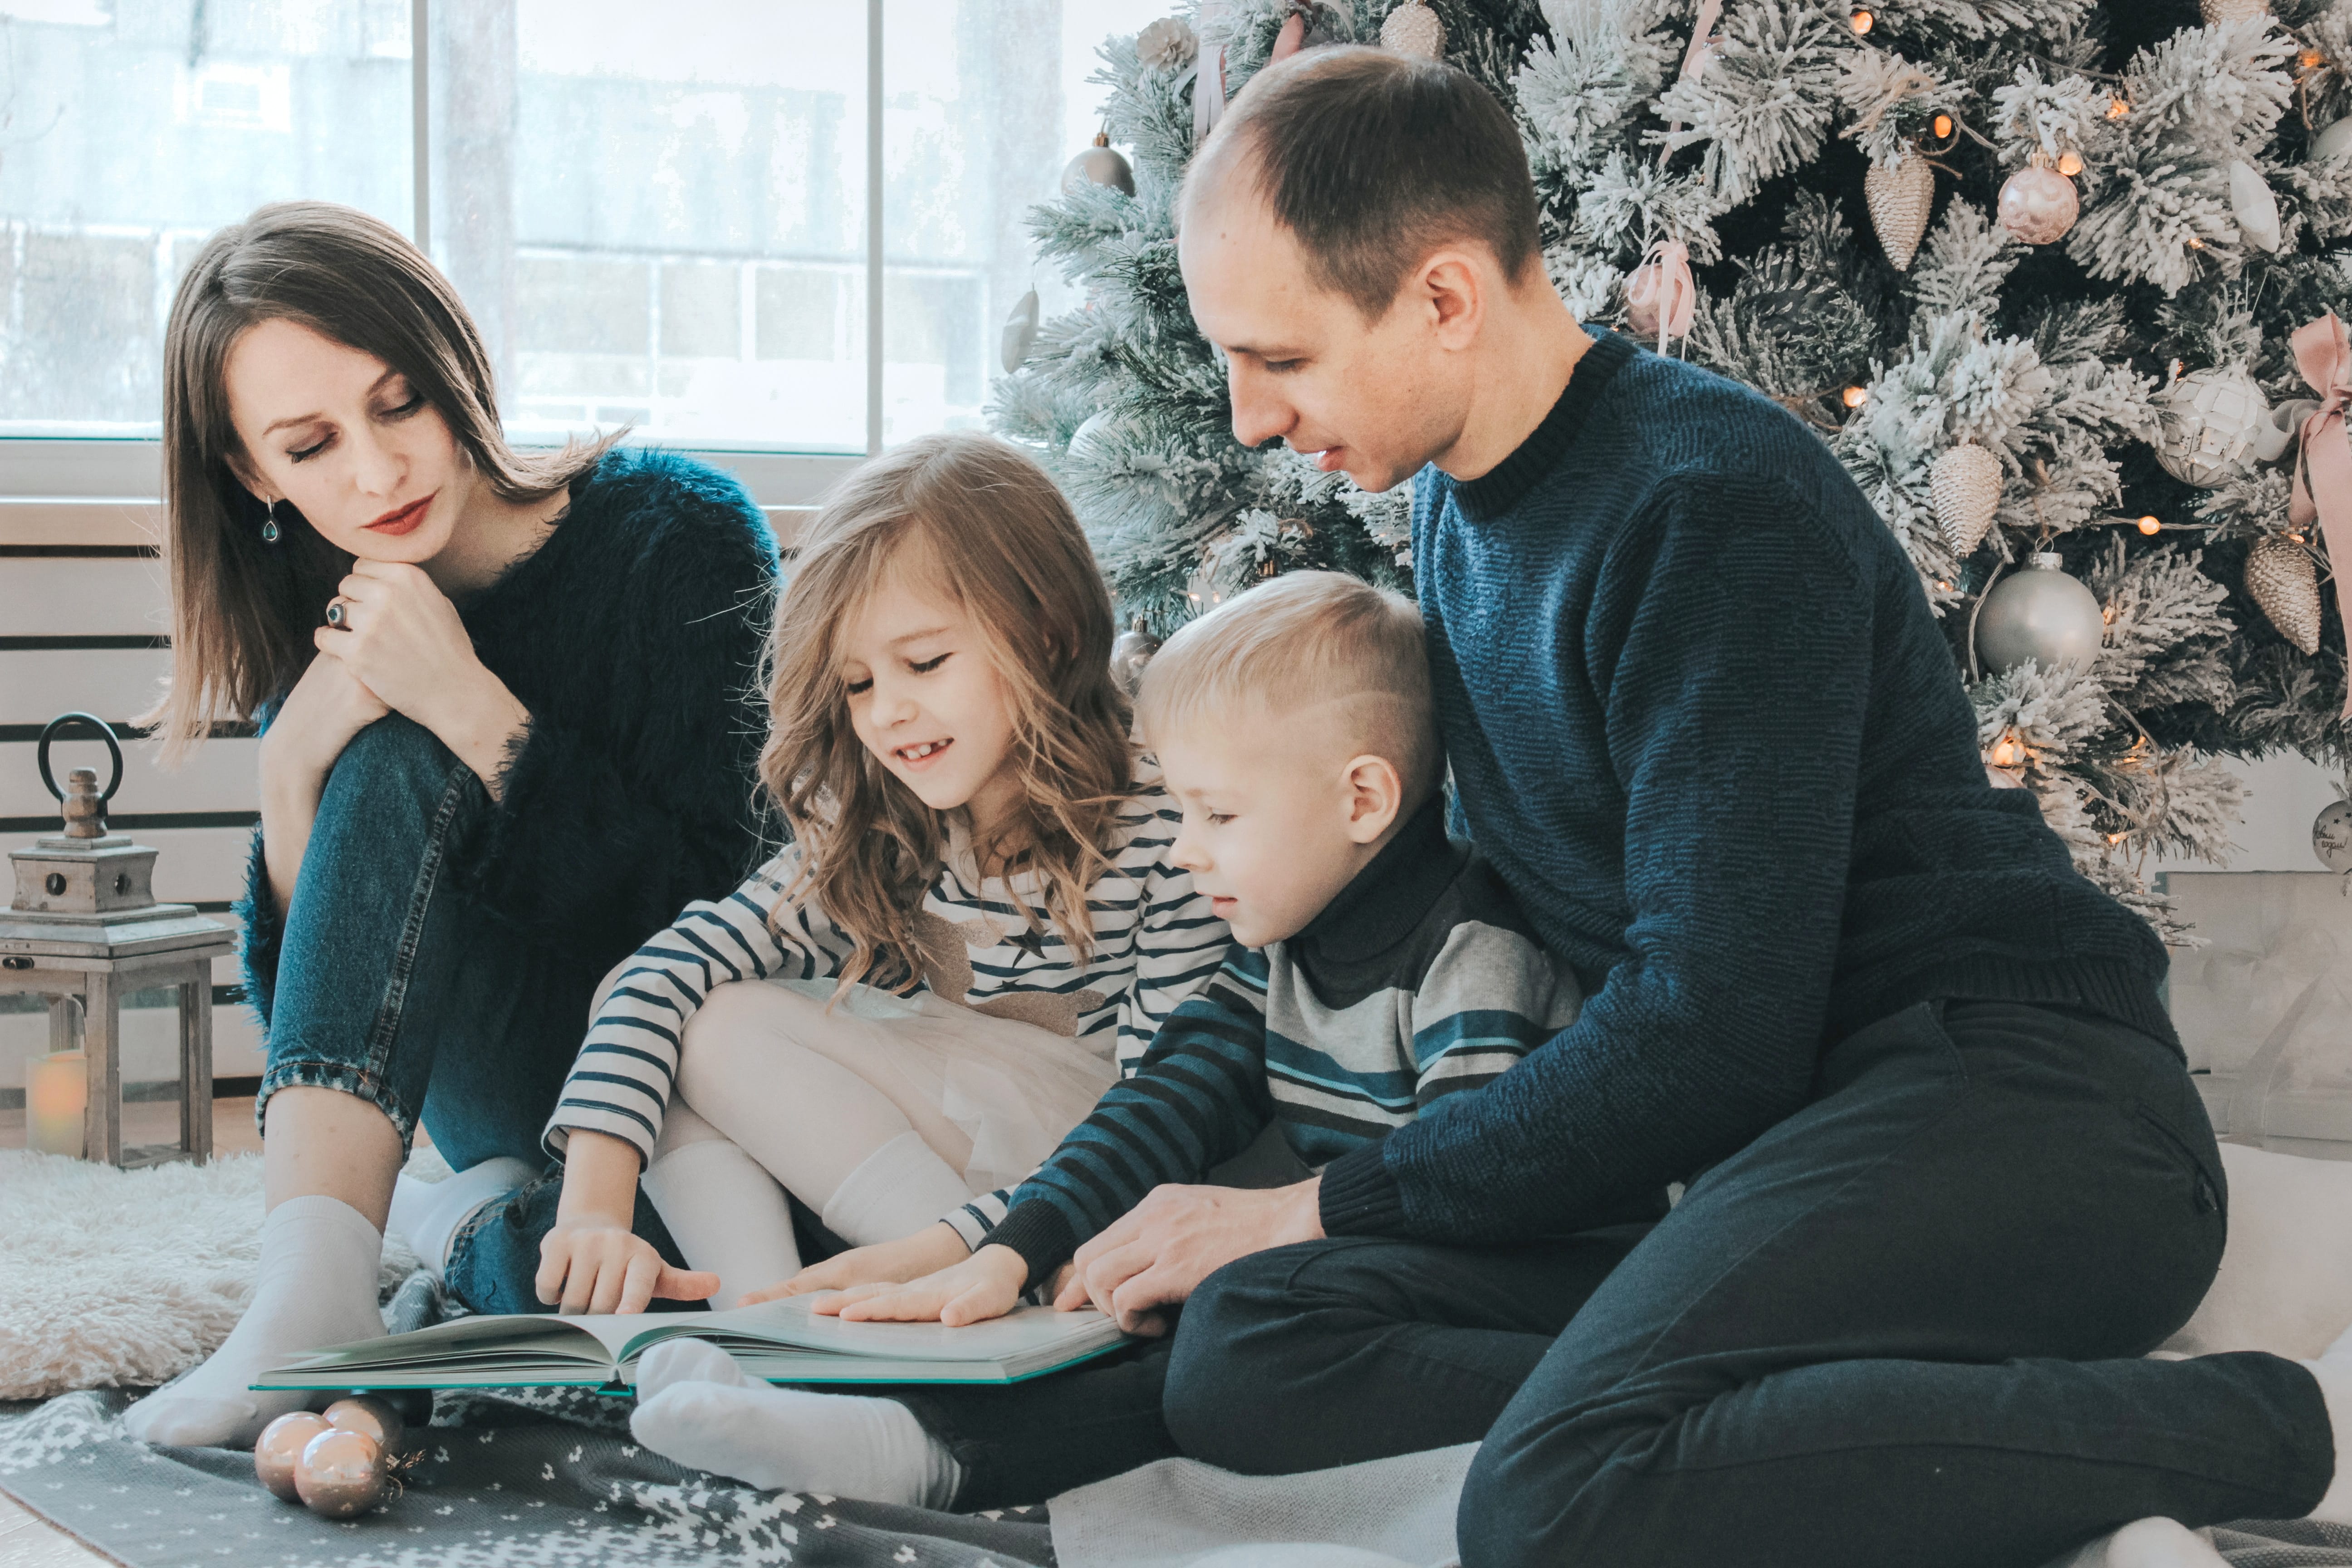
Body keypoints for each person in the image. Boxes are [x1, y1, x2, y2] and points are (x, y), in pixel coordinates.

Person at [1092, 46, 2347, 1568]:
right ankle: (1812, 1405)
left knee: (1553, 1496)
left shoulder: (1702, 504)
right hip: (1767, 1146)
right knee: (1251, 1344)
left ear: (1441, 299)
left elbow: (1710, 1021)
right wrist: (1050, 1225)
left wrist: (1324, 1200)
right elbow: (1388, 921)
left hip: (2016, 1101)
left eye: (1280, 359)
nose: (1241, 416)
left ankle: (2268, 1425)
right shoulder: (1454, 497)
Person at [620, 568, 1665, 1510]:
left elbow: (1460, 1195)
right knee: (1194, 1318)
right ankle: (901, 1443)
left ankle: (926, 1456)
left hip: (1537, 1284)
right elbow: (1160, 1107)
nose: (1185, 850)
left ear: (1362, 798)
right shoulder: (1280, 949)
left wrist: (1252, 1245)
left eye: (1214, 815)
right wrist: (1010, 1251)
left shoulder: (1473, 958)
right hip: (1382, 1271)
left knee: (1235, 1330)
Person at [121, 201, 779, 1450]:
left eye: (400, 403)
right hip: (503, 1080)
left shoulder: (677, 537)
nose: (375, 473)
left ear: (455, 368)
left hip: (696, 1070)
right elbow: (319, 1010)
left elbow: (730, 906)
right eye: (310, 446)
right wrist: (293, 766)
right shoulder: (337, 609)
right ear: (256, 476)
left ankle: (449, 1224)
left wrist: (478, 711)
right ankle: (309, 1295)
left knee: (652, 1283)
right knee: (380, 747)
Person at [532, 431, 1229, 1326]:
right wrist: (593, 1211)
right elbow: (659, 974)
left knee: (718, 1030)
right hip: (937, 1173)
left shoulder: (1165, 824)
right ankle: (764, 1321)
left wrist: (990, 1240)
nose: (888, 712)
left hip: (1091, 1177)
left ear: (1050, 633)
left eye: (926, 663)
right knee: (677, 1018)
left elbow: (1163, 1115)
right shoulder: (884, 815)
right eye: (857, 684)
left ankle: (953, 1304)